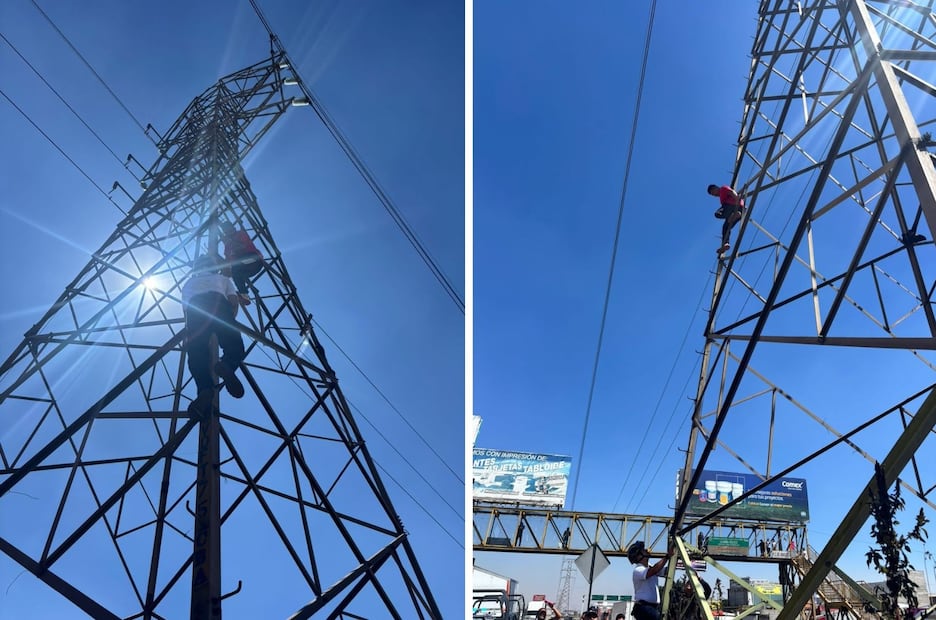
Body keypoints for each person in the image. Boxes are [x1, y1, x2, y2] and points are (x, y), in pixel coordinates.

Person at [181, 254, 246, 412]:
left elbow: (186, 308)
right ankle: (226, 365)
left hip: (195, 308)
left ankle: (205, 389)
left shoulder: (188, 282)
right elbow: (233, 301)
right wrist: (229, 321)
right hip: (218, 302)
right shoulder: (224, 279)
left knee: (196, 352)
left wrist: (194, 330)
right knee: (234, 345)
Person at [220, 220, 265, 305]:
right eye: (226, 231)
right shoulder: (228, 245)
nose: (228, 232)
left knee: (236, 267)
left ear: (233, 228)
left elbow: (241, 247)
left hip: (254, 260)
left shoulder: (240, 234)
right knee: (235, 273)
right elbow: (228, 260)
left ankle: (243, 294)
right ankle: (244, 297)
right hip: (245, 269)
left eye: (229, 229)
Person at [627, 540, 674, 620]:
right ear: (639, 556)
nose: (646, 551)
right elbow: (654, 571)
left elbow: (664, 571)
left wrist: (676, 562)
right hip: (644, 608)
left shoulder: (650, 567)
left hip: (652, 608)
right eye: (643, 550)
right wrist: (667, 557)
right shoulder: (638, 570)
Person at [708, 183, 745, 255]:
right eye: (712, 195)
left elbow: (731, 192)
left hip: (734, 206)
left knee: (717, 213)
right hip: (738, 211)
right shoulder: (722, 195)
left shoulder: (722, 189)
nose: (714, 195)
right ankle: (726, 244)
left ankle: (733, 215)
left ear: (715, 188)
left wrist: (737, 199)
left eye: (713, 193)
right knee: (725, 227)